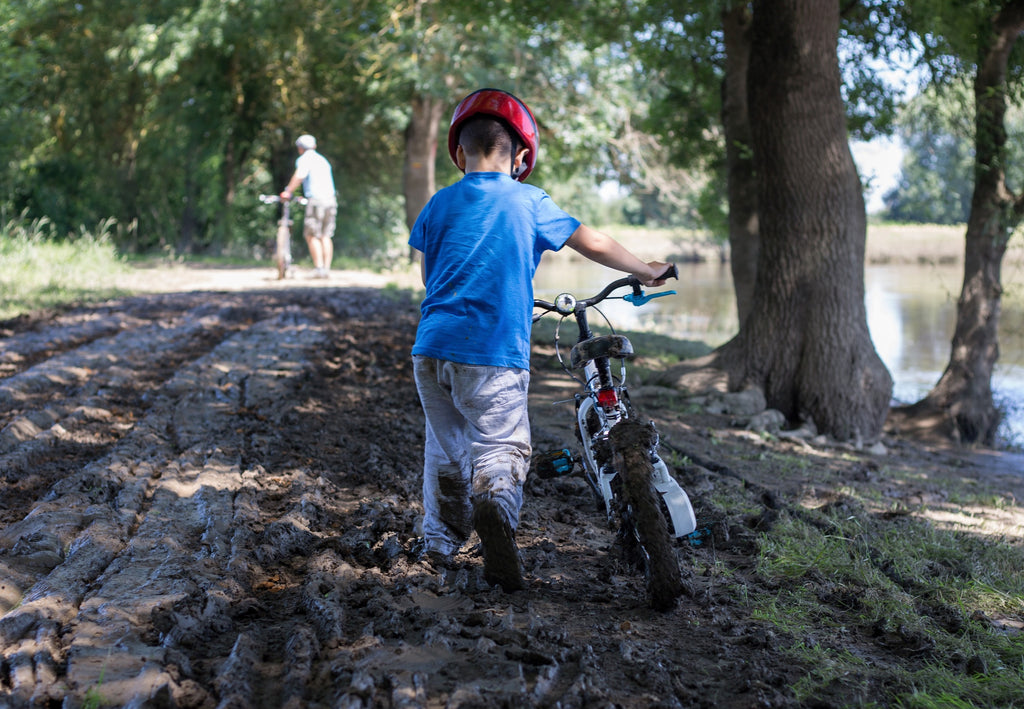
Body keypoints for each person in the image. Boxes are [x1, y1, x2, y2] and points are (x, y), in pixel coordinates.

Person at [409, 88, 673, 591]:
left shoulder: (439, 203)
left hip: (431, 349)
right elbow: (589, 239)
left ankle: (439, 545)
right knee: (501, 443)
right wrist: (647, 269)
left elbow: (430, 276)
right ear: (523, 158)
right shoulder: (530, 200)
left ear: (459, 153)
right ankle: (496, 506)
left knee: (444, 451)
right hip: (491, 352)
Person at [280, 134, 337, 278]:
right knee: (326, 235)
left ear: (300, 148)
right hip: (330, 200)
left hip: (317, 200)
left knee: (311, 234)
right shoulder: (323, 160)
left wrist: (288, 191)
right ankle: (326, 269)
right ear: (314, 146)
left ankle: (319, 269)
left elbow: (299, 175)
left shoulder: (305, 159)